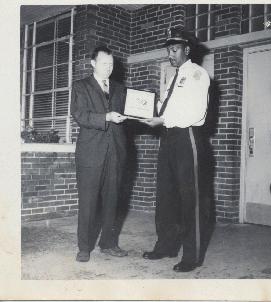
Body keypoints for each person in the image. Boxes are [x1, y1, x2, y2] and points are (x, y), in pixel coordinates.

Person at [141, 28, 211, 272]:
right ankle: (166, 246)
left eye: (174, 49)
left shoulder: (197, 75)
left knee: (190, 199)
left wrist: (163, 120)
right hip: (168, 138)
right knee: (166, 196)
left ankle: (192, 256)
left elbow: (196, 114)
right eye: (168, 50)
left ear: (187, 50)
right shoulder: (173, 77)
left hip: (187, 136)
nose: (170, 54)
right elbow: (163, 107)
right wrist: (146, 112)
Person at [71, 46, 128, 262]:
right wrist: (107, 117)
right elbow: (80, 115)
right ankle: (84, 247)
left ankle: (109, 244)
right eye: (104, 64)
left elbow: (126, 114)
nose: (109, 68)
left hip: (116, 152)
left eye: (111, 64)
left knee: (113, 199)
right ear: (93, 63)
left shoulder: (120, 88)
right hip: (90, 153)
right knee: (88, 201)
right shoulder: (81, 86)